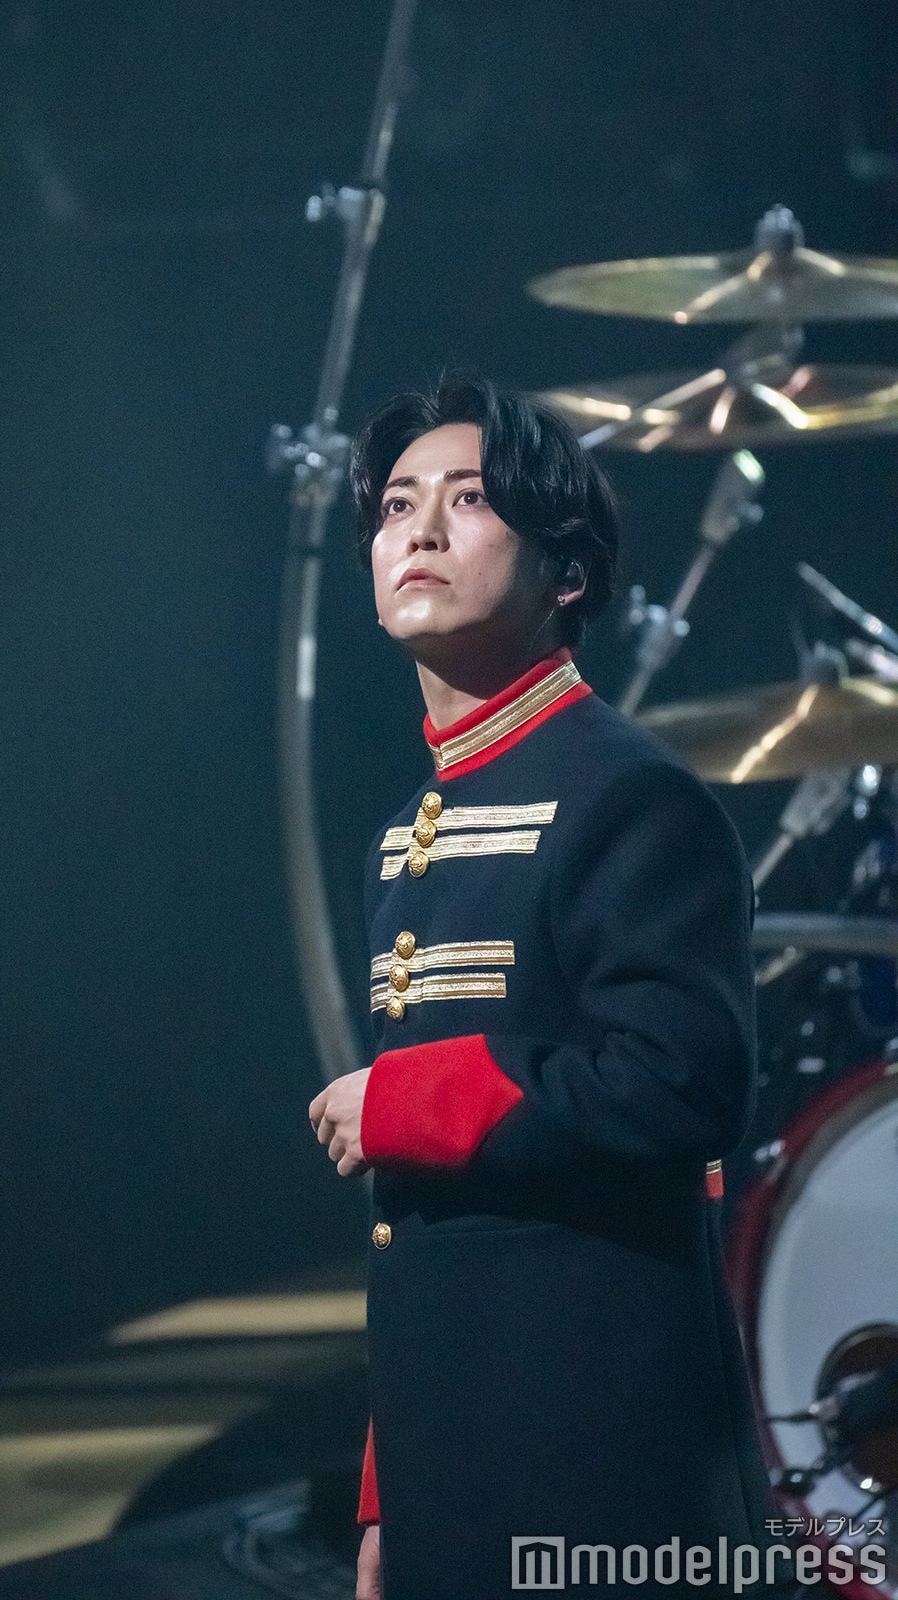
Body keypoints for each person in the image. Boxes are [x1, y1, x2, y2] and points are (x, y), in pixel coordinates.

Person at [308, 378, 775, 1600]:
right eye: (396, 504)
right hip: (456, 1455)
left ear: (565, 571)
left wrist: (406, 1101)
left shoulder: (632, 796)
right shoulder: (404, 836)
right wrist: (390, 1490)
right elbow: (422, 1225)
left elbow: (683, 1084)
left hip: (601, 1452)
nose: (419, 528)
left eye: (468, 500)